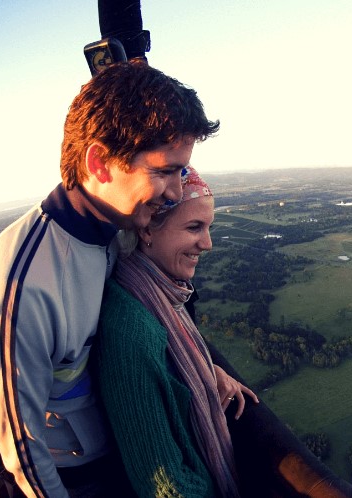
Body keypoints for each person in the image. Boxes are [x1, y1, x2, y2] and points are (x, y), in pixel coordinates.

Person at [0, 61, 219, 498]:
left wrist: (207, 370)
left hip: (122, 451)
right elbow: (22, 449)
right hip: (76, 479)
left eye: (181, 172)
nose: (176, 192)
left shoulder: (113, 230)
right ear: (99, 162)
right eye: (162, 171)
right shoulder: (22, 284)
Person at [94, 166, 259, 498]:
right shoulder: (130, 330)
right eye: (194, 227)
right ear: (147, 231)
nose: (208, 243)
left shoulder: (163, 294)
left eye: (208, 227)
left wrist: (204, 370)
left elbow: (170, 368)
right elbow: (166, 486)